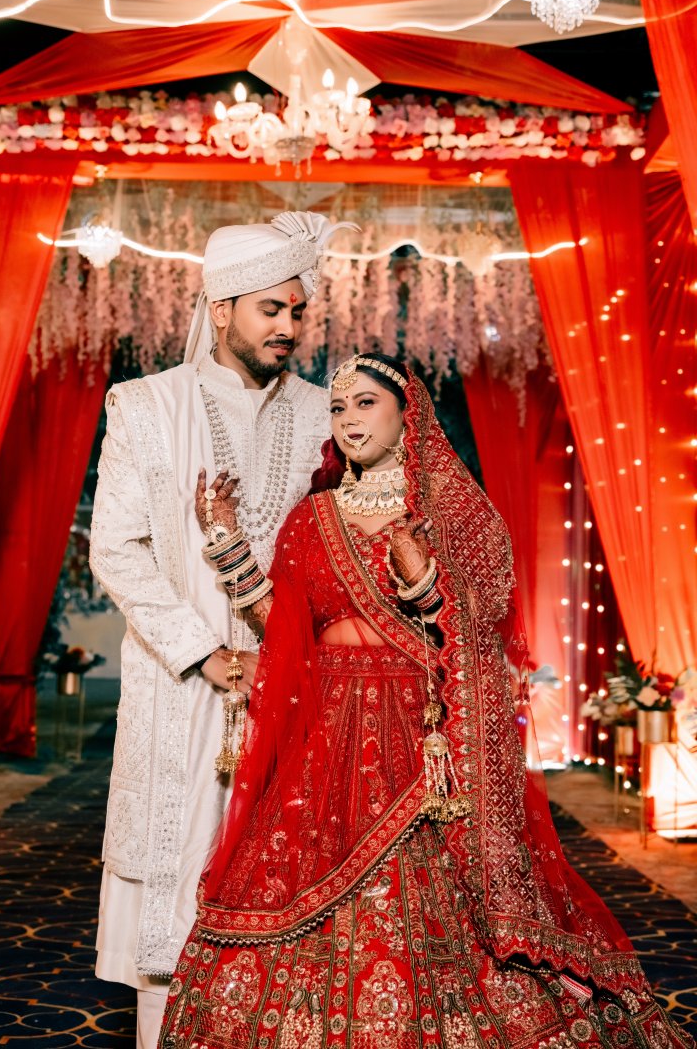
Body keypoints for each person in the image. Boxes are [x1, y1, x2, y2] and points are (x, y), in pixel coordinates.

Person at [159, 353, 693, 1049]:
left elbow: (488, 623)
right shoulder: (311, 518)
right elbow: (283, 630)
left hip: (425, 740)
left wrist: (427, 586)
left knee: (439, 900)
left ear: (406, 413)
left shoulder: (451, 513)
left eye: (366, 404)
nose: (349, 421)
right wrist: (226, 540)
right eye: (339, 408)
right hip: (329, 739)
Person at [89, 210, 356, 1049]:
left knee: (291, 892)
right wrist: (205, 654)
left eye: (297, 312)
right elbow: (116, 548)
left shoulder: (324, 415)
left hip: (297, 692)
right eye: (270, 310)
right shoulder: (145, 406)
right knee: (175, 892)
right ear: (220, 307)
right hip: (181, 692)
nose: (288, 328)